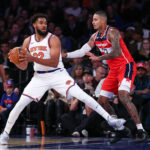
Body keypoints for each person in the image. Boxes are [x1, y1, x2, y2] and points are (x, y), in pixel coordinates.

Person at [0, 13, 125, 145]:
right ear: (34, 25)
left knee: (82, 95)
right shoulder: (28, 41)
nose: (44, 25)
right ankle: (5, 134)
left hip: (57, 74)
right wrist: (16, 61)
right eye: (41, 22)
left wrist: (32, 58)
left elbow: (54, 62)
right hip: (39, 77)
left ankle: (110, 119)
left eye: (46, 23)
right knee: (20, 104)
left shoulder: (53, 39)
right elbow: (24, 67)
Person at [62, 11, 148, 143]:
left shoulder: (113, 32)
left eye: (95, 20)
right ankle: (119, 128)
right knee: (102, 101)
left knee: (123, 95)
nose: (92, 22)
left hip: (126, 66)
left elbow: (117, 52)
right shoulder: (94, 37)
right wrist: (66, 55)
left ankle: (141, 130)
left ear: (103, 21)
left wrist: (99, 57)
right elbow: (81, 51)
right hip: (113, 70)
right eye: (92, 20)